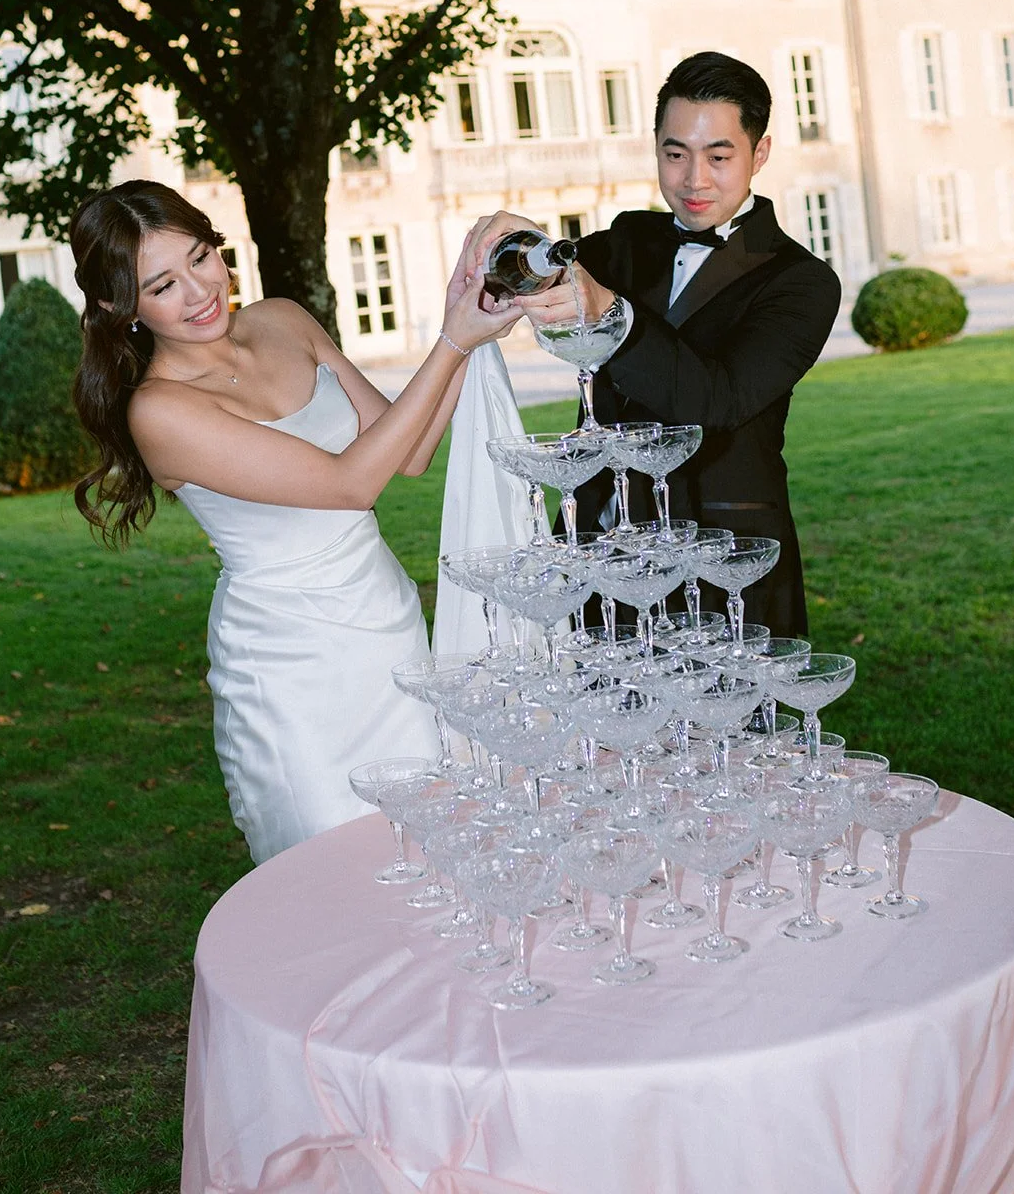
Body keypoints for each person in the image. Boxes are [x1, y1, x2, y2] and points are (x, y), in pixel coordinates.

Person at [69, 180, 522, 864]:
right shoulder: (159, 411)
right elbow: (349, 483)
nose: (198, 292)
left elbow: (410, 451)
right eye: (162, 285)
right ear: (117, 305)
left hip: (386, 626)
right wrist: (452, 342)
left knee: (434, 846)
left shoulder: (283, 319)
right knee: (335, 862)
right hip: (290, 665)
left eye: (200, 257)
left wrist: (464, 315)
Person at [476, 51, 841, 634]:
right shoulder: (625, 241)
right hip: (601, 553)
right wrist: (517, 252)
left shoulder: (802, 282)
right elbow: (533, 275)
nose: (694, 180)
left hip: (726, 567)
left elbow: (716, 400)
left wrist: (611, 313)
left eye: (719, 157)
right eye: (675, 155)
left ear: (759, 153)